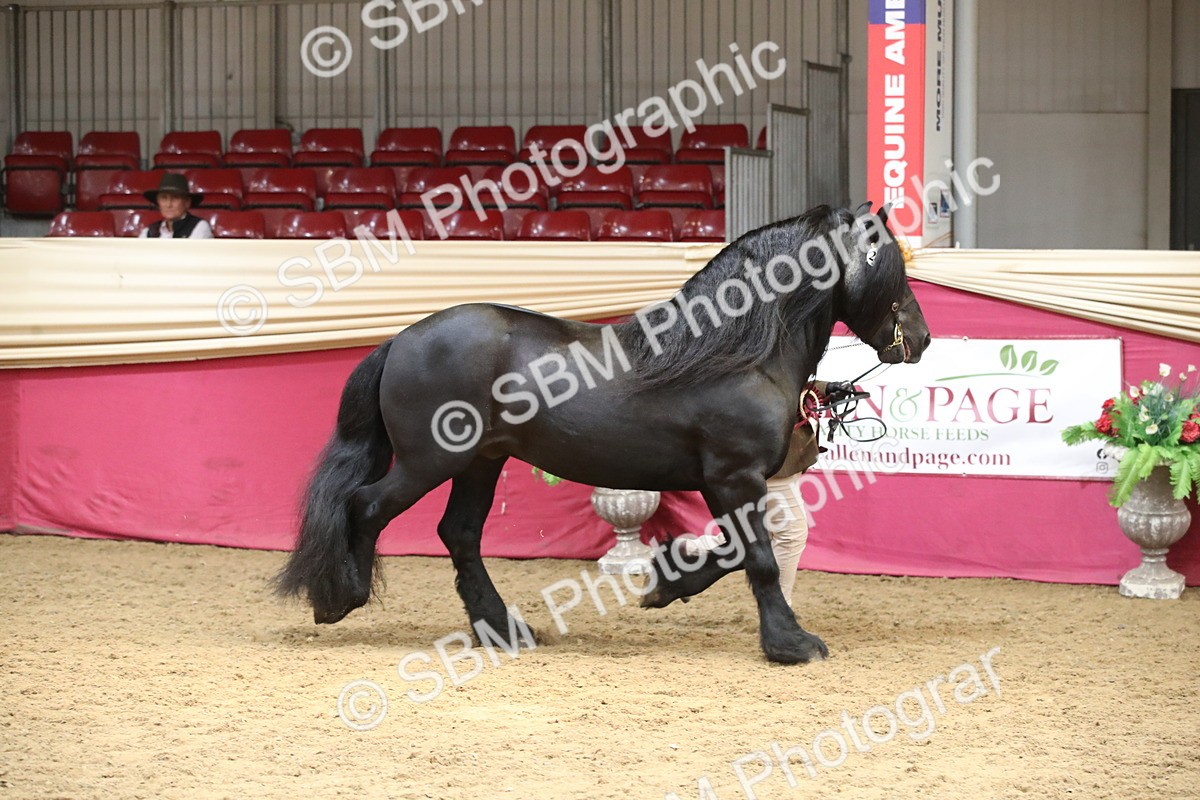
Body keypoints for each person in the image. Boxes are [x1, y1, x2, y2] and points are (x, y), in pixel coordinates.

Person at [139, 173, 213, 239]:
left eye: (175, 198)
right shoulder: (149, 232)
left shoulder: (199, 227)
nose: (169, 204)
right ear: (158, 202)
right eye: (164, 198)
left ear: (187, 202)